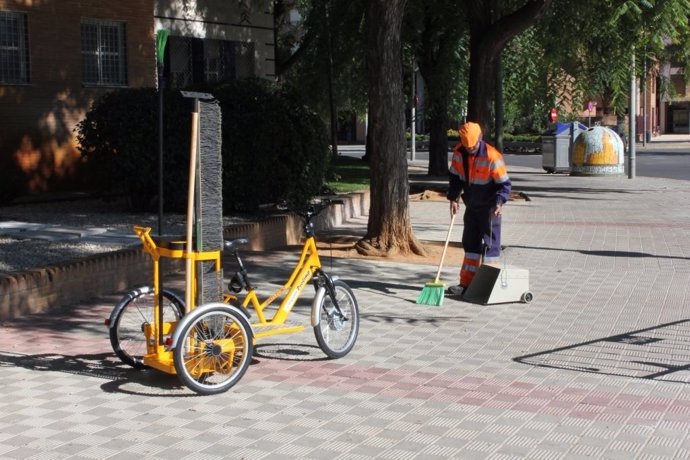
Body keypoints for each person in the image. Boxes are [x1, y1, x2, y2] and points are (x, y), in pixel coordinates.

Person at [446, 121, 512, 296]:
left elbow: (504, 185)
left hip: (490, 209)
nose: (470, 150)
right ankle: (466, 284)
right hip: (472, 206)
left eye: (472, 146)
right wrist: (453, 198)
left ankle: (490, 286)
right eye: (467, 146)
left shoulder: (492, 156)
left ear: (480, 139)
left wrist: (499, 202)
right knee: (470, 244)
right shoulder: (459, 153)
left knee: (491, 247)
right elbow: (455, 178)